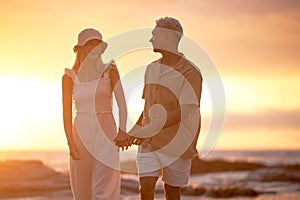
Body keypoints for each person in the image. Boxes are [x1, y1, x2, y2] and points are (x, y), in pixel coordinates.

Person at [127, 17, 203, 200]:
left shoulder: (190, 72)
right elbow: (147, 107)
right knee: (145, 190)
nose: (151, 39)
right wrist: (134, 131)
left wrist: (149, 128)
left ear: (167, 38)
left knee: (172, 193)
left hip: (177, 142)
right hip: (149, 142)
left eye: (154, 35)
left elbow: (185, 110)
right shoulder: (151, 69)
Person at [62, 28, 129, 200]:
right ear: (81, 48)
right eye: (89, 44)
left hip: (106, 132)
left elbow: (122, 104)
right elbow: (66, 113)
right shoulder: (69, 77)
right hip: (81, 132)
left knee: (104, 190)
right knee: (82, 190)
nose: (94, 48)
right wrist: (70, 142)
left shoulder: (110, 70)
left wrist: (122, 131)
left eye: (97, 45)